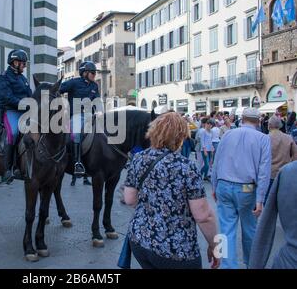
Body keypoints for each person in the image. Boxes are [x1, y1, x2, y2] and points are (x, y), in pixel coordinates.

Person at [123, 112, 220, 269]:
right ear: (181, 136)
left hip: (140, 240)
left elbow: (129, 199)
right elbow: (204, 216)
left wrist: (155, 210)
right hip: (177, 250)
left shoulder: (139, 158)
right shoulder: (187, 166)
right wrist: (216, 247)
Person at [211, 108, 271, 269]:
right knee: (250, 230)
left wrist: (214, 185)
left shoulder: (228, 134)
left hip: (224, 184)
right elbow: (264, 172)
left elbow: (217, 161)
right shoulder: (263, 138)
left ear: (242, 119)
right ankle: (252, 264)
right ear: (258, 121)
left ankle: (226, 265)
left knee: (225, 230)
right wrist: (260, 199)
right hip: (247, 188)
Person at [249, 161, 297, 269]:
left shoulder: (288, 171)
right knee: (248, 226)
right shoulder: (287, 143)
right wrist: (259, 199)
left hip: (275, 179)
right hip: (255, 184)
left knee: (228, 227)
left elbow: (265, 227)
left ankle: (230, 263)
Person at [0, 49, 32, 184]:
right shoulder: (3, 77)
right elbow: (6, 97)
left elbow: (30, 94)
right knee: (15, 133)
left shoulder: (23, 79)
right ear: (15, 62)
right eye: (23, 63)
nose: (25, 66)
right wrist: (24, 104)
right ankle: (7, 170)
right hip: (10, 111)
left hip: (25, 112)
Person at [60, 61, 100, 176]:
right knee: (76, 134)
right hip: (76, 115)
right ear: (85, 73)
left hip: (90, 115)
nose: (94, 75)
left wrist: (100, 111)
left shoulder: (94, 86)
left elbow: (97, 100)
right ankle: (77, 163)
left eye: (94, 73)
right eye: (92, 72)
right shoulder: (73, 82)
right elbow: (58, 89)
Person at [266, 116, 297, 203]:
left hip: (269, 173)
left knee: (268, 202)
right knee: (285, 201)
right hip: (285, 173)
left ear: (269, 125)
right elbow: (296, 154)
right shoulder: (288, 138)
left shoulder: (265, 138)